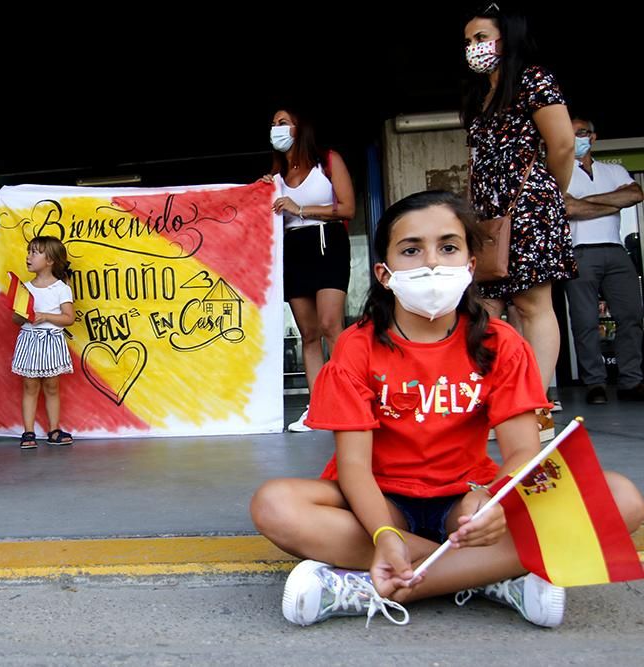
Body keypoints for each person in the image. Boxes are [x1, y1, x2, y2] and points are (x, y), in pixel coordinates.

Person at [249, 191, 644, 628]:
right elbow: (354, 468)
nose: (432, 262)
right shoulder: (355, 347)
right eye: (411, 249)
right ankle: (495, 574)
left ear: (470, 266)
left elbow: (520, 453)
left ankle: (375, 586)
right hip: (381, 504)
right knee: (275, 504)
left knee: (621, 498)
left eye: (449, 247)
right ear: (384, 273)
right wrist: (383, 534)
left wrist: (492, 500)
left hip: (467, 500)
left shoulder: (501, 342)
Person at [463, 5, 576, 440]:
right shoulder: (480, 95)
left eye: (481, 38)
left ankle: (537, 408)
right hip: (488, 216)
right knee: (486, 310)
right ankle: (502, 402)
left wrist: (551, 195)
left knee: (532, 305)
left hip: (529, 206)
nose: (473, 48)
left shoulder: (533, 79)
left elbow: (562, 144)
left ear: (505, 39)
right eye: (468, 41)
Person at [262, 107, 355, 432]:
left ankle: (347, 399)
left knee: (332, 325)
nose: (276, 128)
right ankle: (317, 408)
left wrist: (300, 208)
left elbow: (348, 208)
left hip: (326, 241)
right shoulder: (275, 177)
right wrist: (261, 194)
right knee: (309, 334)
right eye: (273, 124)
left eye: (283, 122)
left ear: (300, 127)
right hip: (294, 248)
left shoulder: (327, 161)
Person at [564, 116, 644, 403]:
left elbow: (636, 194)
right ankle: (594, 383)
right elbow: (568, 208)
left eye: (582, 133)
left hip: (615, 249)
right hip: (579, 251)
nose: (577, 138)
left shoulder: (614, 170)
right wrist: (612, 202)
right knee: (585, 321)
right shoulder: (560, 172)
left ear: (593, 137)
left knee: (631, 316)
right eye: (571, 133)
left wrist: (584, 203)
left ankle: (631, 381)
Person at [12, 236, 75, 449]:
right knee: (30, 386)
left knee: (52, 386)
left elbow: (68, 318)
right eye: (28, 252)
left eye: (34, 253)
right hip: (30, 339)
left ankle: (54, 429)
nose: (28, 257)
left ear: (50, 260)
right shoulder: (25, 288)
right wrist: (24, 314)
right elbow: (16, 319)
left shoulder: (61, 288)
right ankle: (28, 431)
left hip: (51, 340)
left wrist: (45, 316)